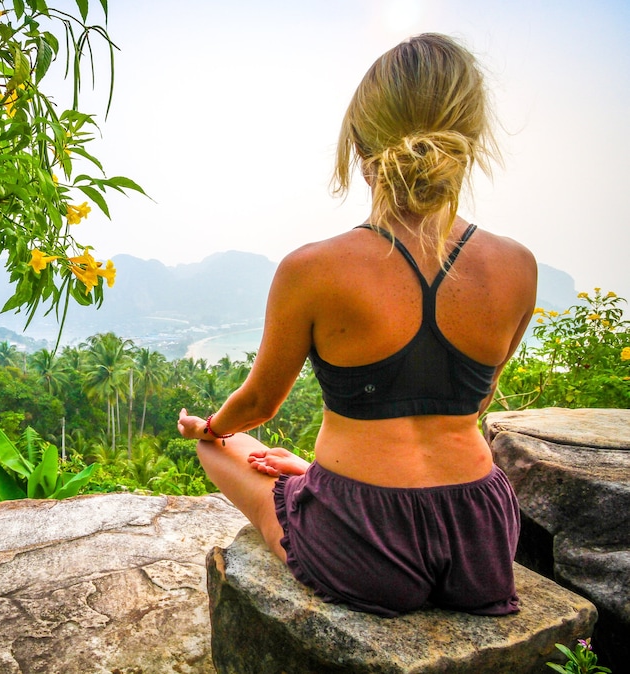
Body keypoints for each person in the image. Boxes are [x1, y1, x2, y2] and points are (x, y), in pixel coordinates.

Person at [177, 33, 537, 617]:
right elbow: (472, 403)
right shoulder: (518, 266)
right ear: (467, 141)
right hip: (481, 534)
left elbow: (260, 405)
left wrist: (209, 427)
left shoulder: (312, 269)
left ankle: (302, 485)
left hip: (362, 534)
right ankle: (311, 479)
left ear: (361, 149)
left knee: (222, 446)